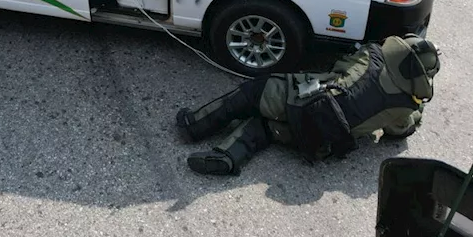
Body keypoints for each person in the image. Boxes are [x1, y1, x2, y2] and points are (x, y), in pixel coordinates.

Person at [176, 34, 441, 175]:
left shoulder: (370, 56)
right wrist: (415, 110)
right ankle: (227, 157)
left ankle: (193, 125)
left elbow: (337, 67)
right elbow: (399, 131)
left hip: (302, 103)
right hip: (318, 140)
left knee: (251, 94)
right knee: (264, 128)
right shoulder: (405, 106)